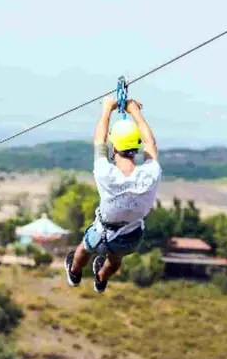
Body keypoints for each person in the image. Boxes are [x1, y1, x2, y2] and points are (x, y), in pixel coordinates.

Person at [64, 95, 161, 293]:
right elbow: (151, 144)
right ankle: (101, 278)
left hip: (103, 233)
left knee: (83, 249)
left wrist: (107, 108)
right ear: (136, 147)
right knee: (115, 259)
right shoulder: (150, 174)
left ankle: (74, 272)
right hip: (131, 236)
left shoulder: (106, 173)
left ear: (114, 146)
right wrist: (135, 111)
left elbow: (99, 141)